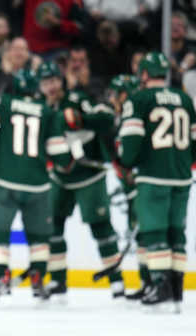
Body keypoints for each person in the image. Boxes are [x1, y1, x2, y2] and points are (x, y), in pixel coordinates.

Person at [38, 61, 125, 301]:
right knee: (52, 226)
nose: (51, 86)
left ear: (61, 79)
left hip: (89, 175)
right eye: (46, 83)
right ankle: (58, 281)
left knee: (101, 227)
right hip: (59, 175)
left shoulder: (77, 99)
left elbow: (107, 116)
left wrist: (81, 118)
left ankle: (116, 282)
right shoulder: (40, 107)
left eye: (54, 80)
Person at [118, 52, 196, 312]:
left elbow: (130, 142)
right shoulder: (185, 99)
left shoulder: (139, 98)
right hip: (182, 175)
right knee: (177, 233)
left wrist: (127, 163)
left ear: (144, 74)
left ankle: (160, 284)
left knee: (154, 232)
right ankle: (176, 290)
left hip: (153, 175)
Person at [0, 68, 54, 304]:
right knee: (40, 237)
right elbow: (57, 150)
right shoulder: (47, 111)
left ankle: (1, 278)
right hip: (38, 184)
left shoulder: (2, 102)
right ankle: (38, 278)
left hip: (3, 179)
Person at [107, 74, 152, 301]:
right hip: (131, 187)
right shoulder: (122, 116)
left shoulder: (136, 116)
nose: (113, 98)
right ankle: (148, 282)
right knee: (141, 235)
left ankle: (155, 281)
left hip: (143, 186)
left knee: (148, 234)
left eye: (117, 93)